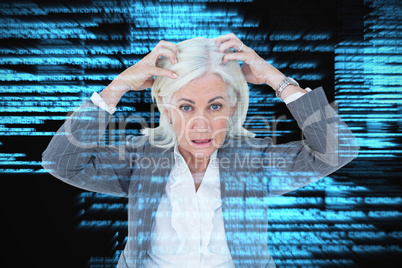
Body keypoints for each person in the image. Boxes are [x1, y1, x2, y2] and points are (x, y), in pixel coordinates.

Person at [42, 33, 359, 268]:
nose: (201, 125)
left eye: (215, 106)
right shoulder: (141, 157)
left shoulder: (255, 160)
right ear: (166, 109)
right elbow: (61, 162)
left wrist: (277, 80)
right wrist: (117, 86)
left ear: (233, 106)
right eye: (186, 107)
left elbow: (337, 150)